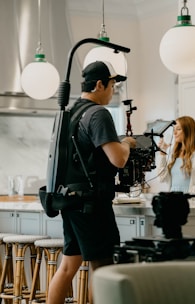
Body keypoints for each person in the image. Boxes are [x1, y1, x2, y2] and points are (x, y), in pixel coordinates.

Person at [47, 61, 136, 304]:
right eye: (112, 85)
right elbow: (118, 159)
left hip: (71, 202)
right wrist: (127, 143)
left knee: (68, 266)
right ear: (99, 85)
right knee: (103, 270)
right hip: (92, 205)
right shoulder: (98, 113)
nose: (113, 91)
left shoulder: (71, 113)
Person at [157, 115, 195, 194]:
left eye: (178, 129)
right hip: (172, 200)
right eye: (174, 129)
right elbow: (161, 178)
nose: (174, 133)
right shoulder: (173, 153)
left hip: (189, 202)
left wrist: (185, 198)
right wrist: (162, 154)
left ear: (188, 131)